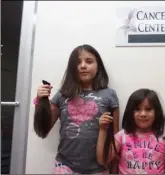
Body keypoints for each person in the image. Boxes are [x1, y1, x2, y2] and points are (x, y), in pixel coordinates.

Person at [34, 44, 119, 174]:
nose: (83, 66)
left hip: (99, 169)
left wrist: (114, 169)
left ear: (98, 66)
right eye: (78, 62)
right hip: (65, 166)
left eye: (89, 61)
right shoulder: (63, 94)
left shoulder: (109, 95)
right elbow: (43, 129)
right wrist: (41, 102)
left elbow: (115, 138)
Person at [97, 88, 165, 174]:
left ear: (156, 112)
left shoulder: (164, 137)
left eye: (148, 109)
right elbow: (102, 160)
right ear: (131, 112)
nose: (143, 114)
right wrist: (103, 130)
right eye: (137, 109)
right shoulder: (122, 136)